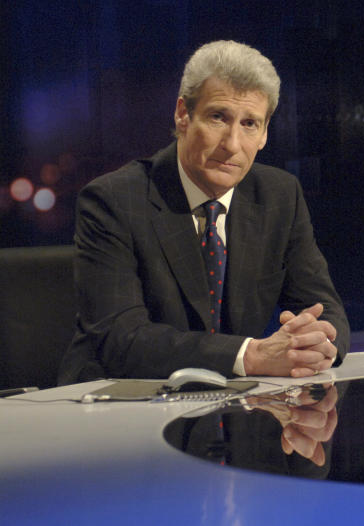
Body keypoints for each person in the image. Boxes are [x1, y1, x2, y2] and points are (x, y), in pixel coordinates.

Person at [58, 40, 348, 384]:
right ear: (183, 115)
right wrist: (250, 356)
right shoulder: (113, 200)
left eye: (250, 123)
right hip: (117, 402)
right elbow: (122, 340)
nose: (232, 144)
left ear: (266, 132)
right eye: (217, 117)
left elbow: (324, 308)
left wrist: (318, 342)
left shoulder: (279, 195)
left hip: (233, 407)